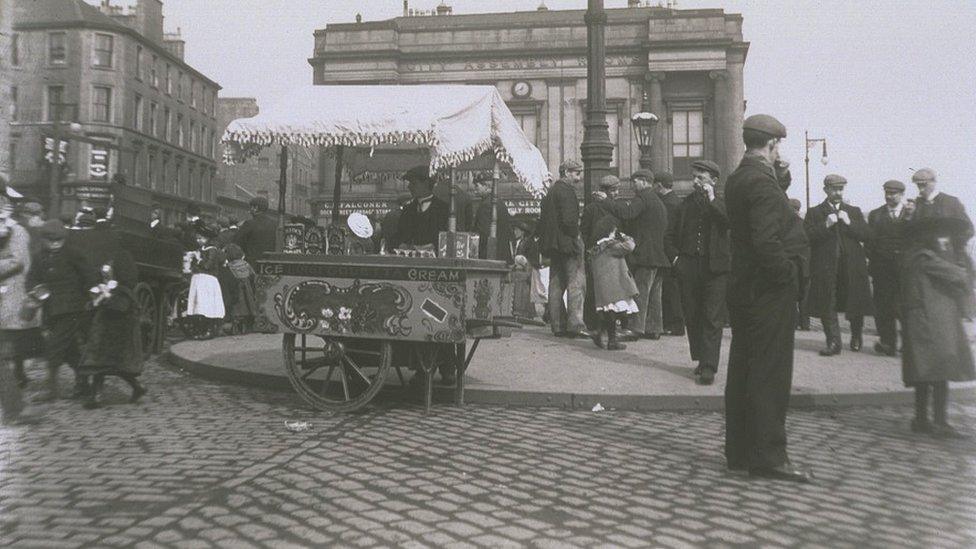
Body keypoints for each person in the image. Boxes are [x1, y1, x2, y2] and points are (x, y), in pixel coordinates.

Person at [724, 114, 811, 483]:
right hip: (768, 290)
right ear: (772, 145)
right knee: (770, 374)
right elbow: (765, 239)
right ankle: (770, 457)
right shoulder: (760, 184)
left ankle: (741, 451)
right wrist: (787, 275)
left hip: (745, 287)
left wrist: (780, 177)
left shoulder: (739, 178)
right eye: (779, 147)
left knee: (745, 369)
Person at [901, 216, 975, 438]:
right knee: (940, 370)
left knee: (924, 373)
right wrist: (959, 257)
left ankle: (921, 419)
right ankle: (940, 422)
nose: (945, 241)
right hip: (932, 324)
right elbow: (960, 276)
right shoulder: (927, 258)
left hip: (924, 322)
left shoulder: (914, 256)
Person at [666, 160, 729, 385]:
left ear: (713, 180)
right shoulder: (685, 205)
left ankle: (710, 366)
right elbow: (670, 236)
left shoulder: (722, 203)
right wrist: (676, 260)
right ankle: (702, 359)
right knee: (693, 315)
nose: (696, 181)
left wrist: (712, 199)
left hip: (715, 269)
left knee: (712, 316)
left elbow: (727, 221)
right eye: (694, 177)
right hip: (689, 267)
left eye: (701, 178)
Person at [28, 220, 99, 401]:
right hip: (51, 310)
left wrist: (92, 295)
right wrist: (37, 289)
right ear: (44, 240)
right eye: (51, 241)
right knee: (70, 350)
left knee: (53, 346)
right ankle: (83, 383)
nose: (54, 245)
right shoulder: (38, 256)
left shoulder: (73, 253)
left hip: (72, 309)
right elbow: (31, 279)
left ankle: (51, 391)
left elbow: (89, 275)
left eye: (58, 241)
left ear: (64, 239)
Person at [803, 174, 873, 356]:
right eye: (834, 189)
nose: (837, 193)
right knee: (828, 302)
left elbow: (866, 235)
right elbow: (806, 237)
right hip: (827, 267)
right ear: (826, 190)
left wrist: (849, 222)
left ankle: (856, 336)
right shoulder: (815, 212)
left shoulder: (853, 211)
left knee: (855, 302)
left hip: (851, 266)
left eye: (840, 189)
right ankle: (833, 342)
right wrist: (826, 224)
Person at [78, 245, 146, 409]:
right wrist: (97, 300)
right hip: (105, 331)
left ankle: (134, 388)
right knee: (101, 363)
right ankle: (98, 395)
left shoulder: (123, 292)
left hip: (116, 333)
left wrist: (105, 299)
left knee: (111, 364)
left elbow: (118, 307)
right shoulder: (114, 287)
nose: (106, 274)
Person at [607, 169, 669, 340]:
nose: (632, 185)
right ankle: (654, 328)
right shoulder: (657, 200)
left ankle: (635, 328)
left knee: (639, 291)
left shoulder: (642, 198)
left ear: (643, 181)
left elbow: (628, 213)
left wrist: (608, 202)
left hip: (645, 254)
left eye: (634, 182)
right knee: (654, 294)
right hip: (658, 254)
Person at [538, 160, 589, 339]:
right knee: (576, 284)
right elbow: (569, 221)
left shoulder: (550, 192)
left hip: (554, 246)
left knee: (556, 285)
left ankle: (557, 325)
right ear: (566, 172)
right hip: (568, 245)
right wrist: (576, 237)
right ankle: (575, 325)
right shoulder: (567, 192)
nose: (579, 177)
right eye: (576, 173)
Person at [866, 180, 910, 356]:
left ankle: (908, 344)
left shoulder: (911, 213)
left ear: (901, 194)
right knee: (883, 307)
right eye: (887, 193)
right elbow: (870, 241)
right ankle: (888, 343)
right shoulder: (876, 215)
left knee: (905, 307)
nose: (890, 196)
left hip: (905, 270)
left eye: (894, 193)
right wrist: (874, 259)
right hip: (882, 269)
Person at [588, 212, 639, 351]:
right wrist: (624, 236)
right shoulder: (610, 246)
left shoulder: (597, 248)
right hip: (615, 286)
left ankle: (602, 334)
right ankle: (612, 341)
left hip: (603, 288)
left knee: (608, 312)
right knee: (615, 312)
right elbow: (630, 246)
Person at [580, 176, 622, 334]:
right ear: (604, 192)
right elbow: (585, 232)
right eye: (613, 190)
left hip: (608, 253)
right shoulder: (594, 209)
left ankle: (601, 324)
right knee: (597, 289)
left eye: (617, 190)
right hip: (599, 253)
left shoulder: (598, 208)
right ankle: (598, 324)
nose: (616, 193)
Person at [390, 166, 449, 250]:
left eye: (413, 183)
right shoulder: (408, 210)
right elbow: (399, 236)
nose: (409, 187)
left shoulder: (443, 209)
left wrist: (434, 246)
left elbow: (448, 239)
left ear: (425, 183)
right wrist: (399, 244)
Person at [655, 170, 685, 336]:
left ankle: (674, 324)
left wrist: (672, 254)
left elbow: (667, 231)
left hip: (669, 251)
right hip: (674, 250)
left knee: (670, 288)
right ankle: (675, 323)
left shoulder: (667, 204)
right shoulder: (676, 201)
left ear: (659, 185)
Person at [464, 173, 514, 262]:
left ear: (486, 186)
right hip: (503, 256)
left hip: (491, 256)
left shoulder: (486, 205)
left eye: (477, 186)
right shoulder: (499, 202)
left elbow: (483, 234)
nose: (475, 189)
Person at [185, 234, 226, 339]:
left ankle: (209, 329)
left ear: (207, 239)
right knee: (199, 304)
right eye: (197, 238)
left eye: (201, 238)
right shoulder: (201, 249)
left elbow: (208, 265)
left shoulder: (212, 250)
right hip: (198, 278)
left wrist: (198, 259)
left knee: (206, 304)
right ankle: (201, 328)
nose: (199, 240)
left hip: (207, 279)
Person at [224, 244, 258, 334]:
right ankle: (248, 325)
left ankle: (237, 327)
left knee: (238, 308)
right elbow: (253, 276)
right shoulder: (246, 264)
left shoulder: (229, 266)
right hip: (248, 289)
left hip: (236, 289)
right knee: (249, 305)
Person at [789, 198, 811, 331]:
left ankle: (795, 322)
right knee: (804, 296)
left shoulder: (787, 225)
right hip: (805, 264)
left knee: (792, 295)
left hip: (794, 264)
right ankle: (805, 323)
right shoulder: (804, 224)